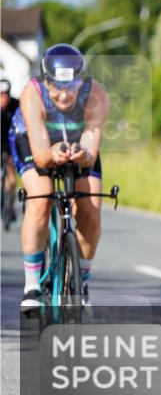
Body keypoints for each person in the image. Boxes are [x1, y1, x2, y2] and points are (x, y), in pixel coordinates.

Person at [9, 44, 109, 313]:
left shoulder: (95, 94)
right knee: (41, 198)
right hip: (33, 140)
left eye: (71, 86)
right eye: (57, 87)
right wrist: (52, 153)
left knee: (90, 210)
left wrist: (83, 154)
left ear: (81, 80)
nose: (64, 95)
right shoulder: (33, 93)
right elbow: (41, 156)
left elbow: (90, 146)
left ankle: (82, 283)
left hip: (75, 143)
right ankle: (32, 285)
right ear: (46, 81)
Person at [1, 78, 19, 228]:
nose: (4, 97)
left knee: (12, 177)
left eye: (6, 94)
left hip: (12, 144)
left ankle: (10, 203)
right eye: (0, 94)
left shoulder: (16, 105)